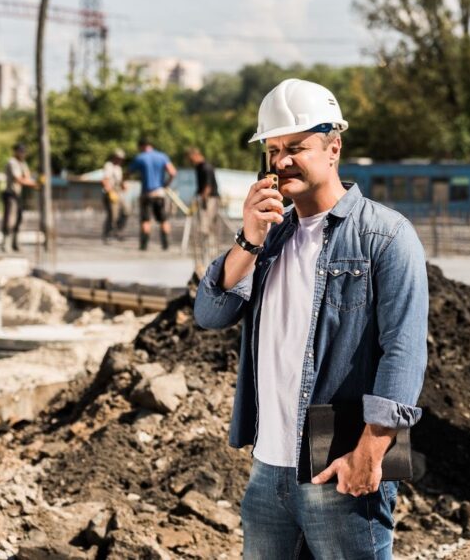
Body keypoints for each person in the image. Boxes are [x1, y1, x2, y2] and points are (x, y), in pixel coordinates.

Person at [193, 79, 428, 558]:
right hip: (267, 473)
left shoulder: (384, 237)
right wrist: (248, 238)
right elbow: (210, 313)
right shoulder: (269, 239)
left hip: (336, 468)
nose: (281, 162)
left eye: (296, 147)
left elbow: (403, 352)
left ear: (333, 147)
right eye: (274, 149)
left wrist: (370, 453)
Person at [128, 137, 176, 251]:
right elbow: (173, 172)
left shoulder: (140, 158)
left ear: (142, 146)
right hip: (159, 193)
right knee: (163, 219)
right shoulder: (162, 156)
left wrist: (124, 181)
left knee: (146, 220)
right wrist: (166, 184)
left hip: (147, 194)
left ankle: (144, 246)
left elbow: (128, 172)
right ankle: (165, 245)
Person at [2, 143, 37, 252]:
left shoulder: (22, 163)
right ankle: (6, 244)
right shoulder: (12, 162)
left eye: (24, 152)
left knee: (18, 219)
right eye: (21, 151)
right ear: (16, 151)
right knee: (10, 220)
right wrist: (34, 184)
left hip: (18, 195)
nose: (23, 154)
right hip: (10, 194)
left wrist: (30, 180)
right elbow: (19, 179)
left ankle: (15, 244)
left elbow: (27, 176)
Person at [187, 147, 220, 263]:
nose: (191, 162)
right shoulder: (198, 167)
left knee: (206, 226)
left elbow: (207, 187)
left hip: (209, 199)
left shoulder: (206, 167)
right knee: (203, 226)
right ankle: (205, 248)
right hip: (204, 198)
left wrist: (201, 200)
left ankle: (210, 250)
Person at [101, 148, 128, 243]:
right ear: (115, 157)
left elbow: (120, 181)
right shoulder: (109, 166)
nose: (120, 160)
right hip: (110, 193)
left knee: (126, 212)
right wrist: (109, 191)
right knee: (113, 215)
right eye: (119, 158)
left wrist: (123, 185)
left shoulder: (119, 168)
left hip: (118, 193)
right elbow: (105, 180)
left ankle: (118, 231)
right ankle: (107, 235)